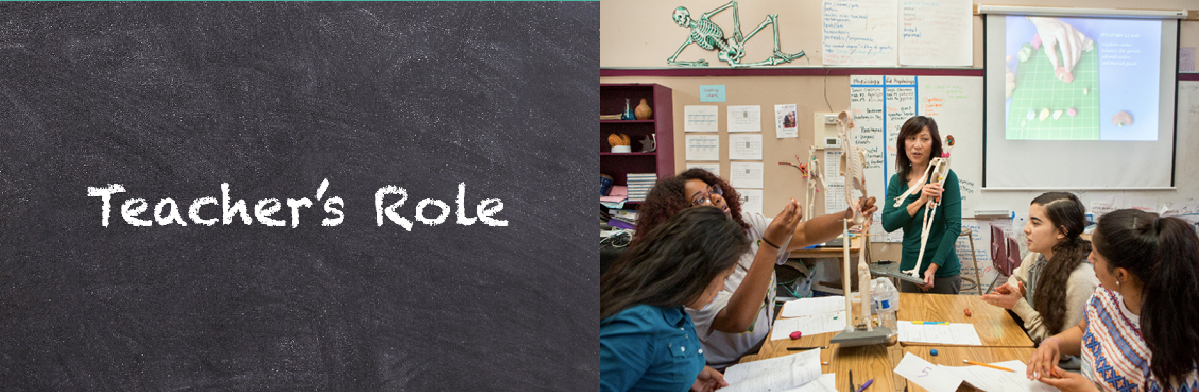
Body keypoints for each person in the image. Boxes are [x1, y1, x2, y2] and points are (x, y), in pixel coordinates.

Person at [633, 168, 876, 369]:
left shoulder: (746, 226)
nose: (716, 198)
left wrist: (849, 216)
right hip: (725, 369)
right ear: (679, 217)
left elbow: (803, 232)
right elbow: (736, 319)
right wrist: (769, 245)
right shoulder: (686, 268)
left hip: (764, 348)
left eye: (713, 191)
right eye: (701, 199)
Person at [1026, 209, 1198, 391]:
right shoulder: (1107, 295)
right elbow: (1084, 329)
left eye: (1096, 257)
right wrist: (1054, 343)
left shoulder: (1174, 349)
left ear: (1121, 274)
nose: (1089, 259)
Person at [600, 207, 752, 392]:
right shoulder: (638, 326)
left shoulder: (673, 307)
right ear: (697, 270)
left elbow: (655, 361)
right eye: (724, 278)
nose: (722, 288)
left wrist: (689, 374)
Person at [981, 192, 1098, 370]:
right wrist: (1014, 290)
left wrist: (1020, 306)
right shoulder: (1038, 255)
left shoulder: (1080, 278)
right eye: (1029, 221)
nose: (1026, 228)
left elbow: (1063, 350)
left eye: (1035, 223)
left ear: (1061, 232)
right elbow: (1016, 277)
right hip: (1033, 352)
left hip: (1061, 370)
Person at [881, 116, 961, 293]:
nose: (917, 145)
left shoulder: (945, 178)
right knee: (910, 321)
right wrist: (920, 201)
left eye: (924, 139)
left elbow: (954, 227)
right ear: (903, 143)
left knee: (946, 321)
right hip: (909, 271)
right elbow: (888, 223)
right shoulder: (897, 181)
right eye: (911, 138)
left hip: (943, 273)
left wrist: (932, 268)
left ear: (933, 144)